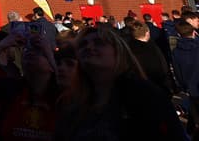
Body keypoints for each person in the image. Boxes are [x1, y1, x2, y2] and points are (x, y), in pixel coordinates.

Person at [55, 25, 185, 140]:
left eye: (98, 43)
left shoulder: (144, 94)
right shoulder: (72, 102)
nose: (89, 47)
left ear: (118, 52)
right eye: (83, 45)